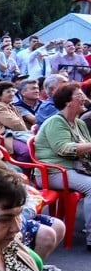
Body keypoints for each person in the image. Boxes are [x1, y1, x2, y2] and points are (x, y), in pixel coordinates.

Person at [34, 82, 91, 250]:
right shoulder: (55, 122)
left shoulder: (78, 122)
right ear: (68, 102)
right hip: (53, 171)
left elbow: (86, 149)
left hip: (74, 168)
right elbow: (64, 149)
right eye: (79, 96)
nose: (84, 99)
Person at [0, 80, 33, 161]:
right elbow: (15, 124)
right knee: (27, 152)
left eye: (12, 91)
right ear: (0, 95)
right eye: (8, 92)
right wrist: (26, 131)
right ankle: (18, 170)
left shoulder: (10, 105)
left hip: (15, 135)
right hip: (4, 137)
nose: (12, 94)